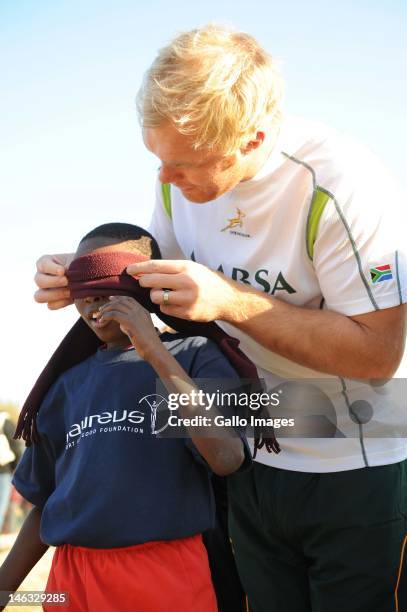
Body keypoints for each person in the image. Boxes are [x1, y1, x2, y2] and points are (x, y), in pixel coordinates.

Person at [33, 24, 406, 612]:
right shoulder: (178, 180)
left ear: (251, 137)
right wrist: (79, 272)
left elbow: (378, 357)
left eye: (183, 164)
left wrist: (230, 300)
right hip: (243, 451)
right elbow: (152, 279)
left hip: (349, 456)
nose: (164, 180)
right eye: (158, 159)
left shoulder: (343, 187)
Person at [3, 223, 252, 612]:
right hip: (72, 577)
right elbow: (45, 497)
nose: (93, 299)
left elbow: (226, 459)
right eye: (82, 286)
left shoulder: (193, 355)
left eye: (107, 282)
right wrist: (5, 588)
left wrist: (154, 351)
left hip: (164, 572)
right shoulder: (67, 383)